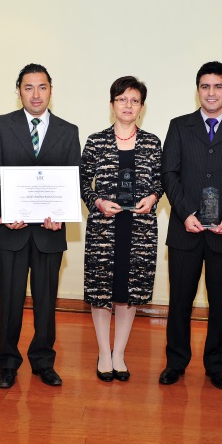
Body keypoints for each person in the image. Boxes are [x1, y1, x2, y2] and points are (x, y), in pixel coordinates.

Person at [159, 62, 222, 389]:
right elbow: (169, 174)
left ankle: (216, 366)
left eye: (218, 86)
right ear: (198, 90)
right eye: (205, 86)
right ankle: (176, 362)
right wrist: (185, 212)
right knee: (179, 302)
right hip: (184, 230)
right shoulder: (179, 127)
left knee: (221, 304)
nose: (211, 92)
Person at [0, 63, 80, 389]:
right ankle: (8, 362)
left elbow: (72, 183)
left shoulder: (68, 131)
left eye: (42, 87)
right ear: (18, 91)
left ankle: (43, 361)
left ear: (51, 90)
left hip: (49, 234)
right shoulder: (1, 126)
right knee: (9, 302)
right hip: (11, 232)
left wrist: (62, 215)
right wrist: (5, 210)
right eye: (28, 87)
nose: (35, 94)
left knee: (46, 302)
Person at [80, 76, 162, 382]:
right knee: (102, 291)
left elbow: (160, 183)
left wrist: (153, 197)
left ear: (141, 107)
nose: (128, 105)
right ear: (112, 104)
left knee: (129, 292)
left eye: (134, 100)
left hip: (139, 229)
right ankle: (103, 353)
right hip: (104, 228)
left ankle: (119, 354)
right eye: (122, 99)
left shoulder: (153, 142)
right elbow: (81, 181)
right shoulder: (95, 141)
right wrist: (97, 201)